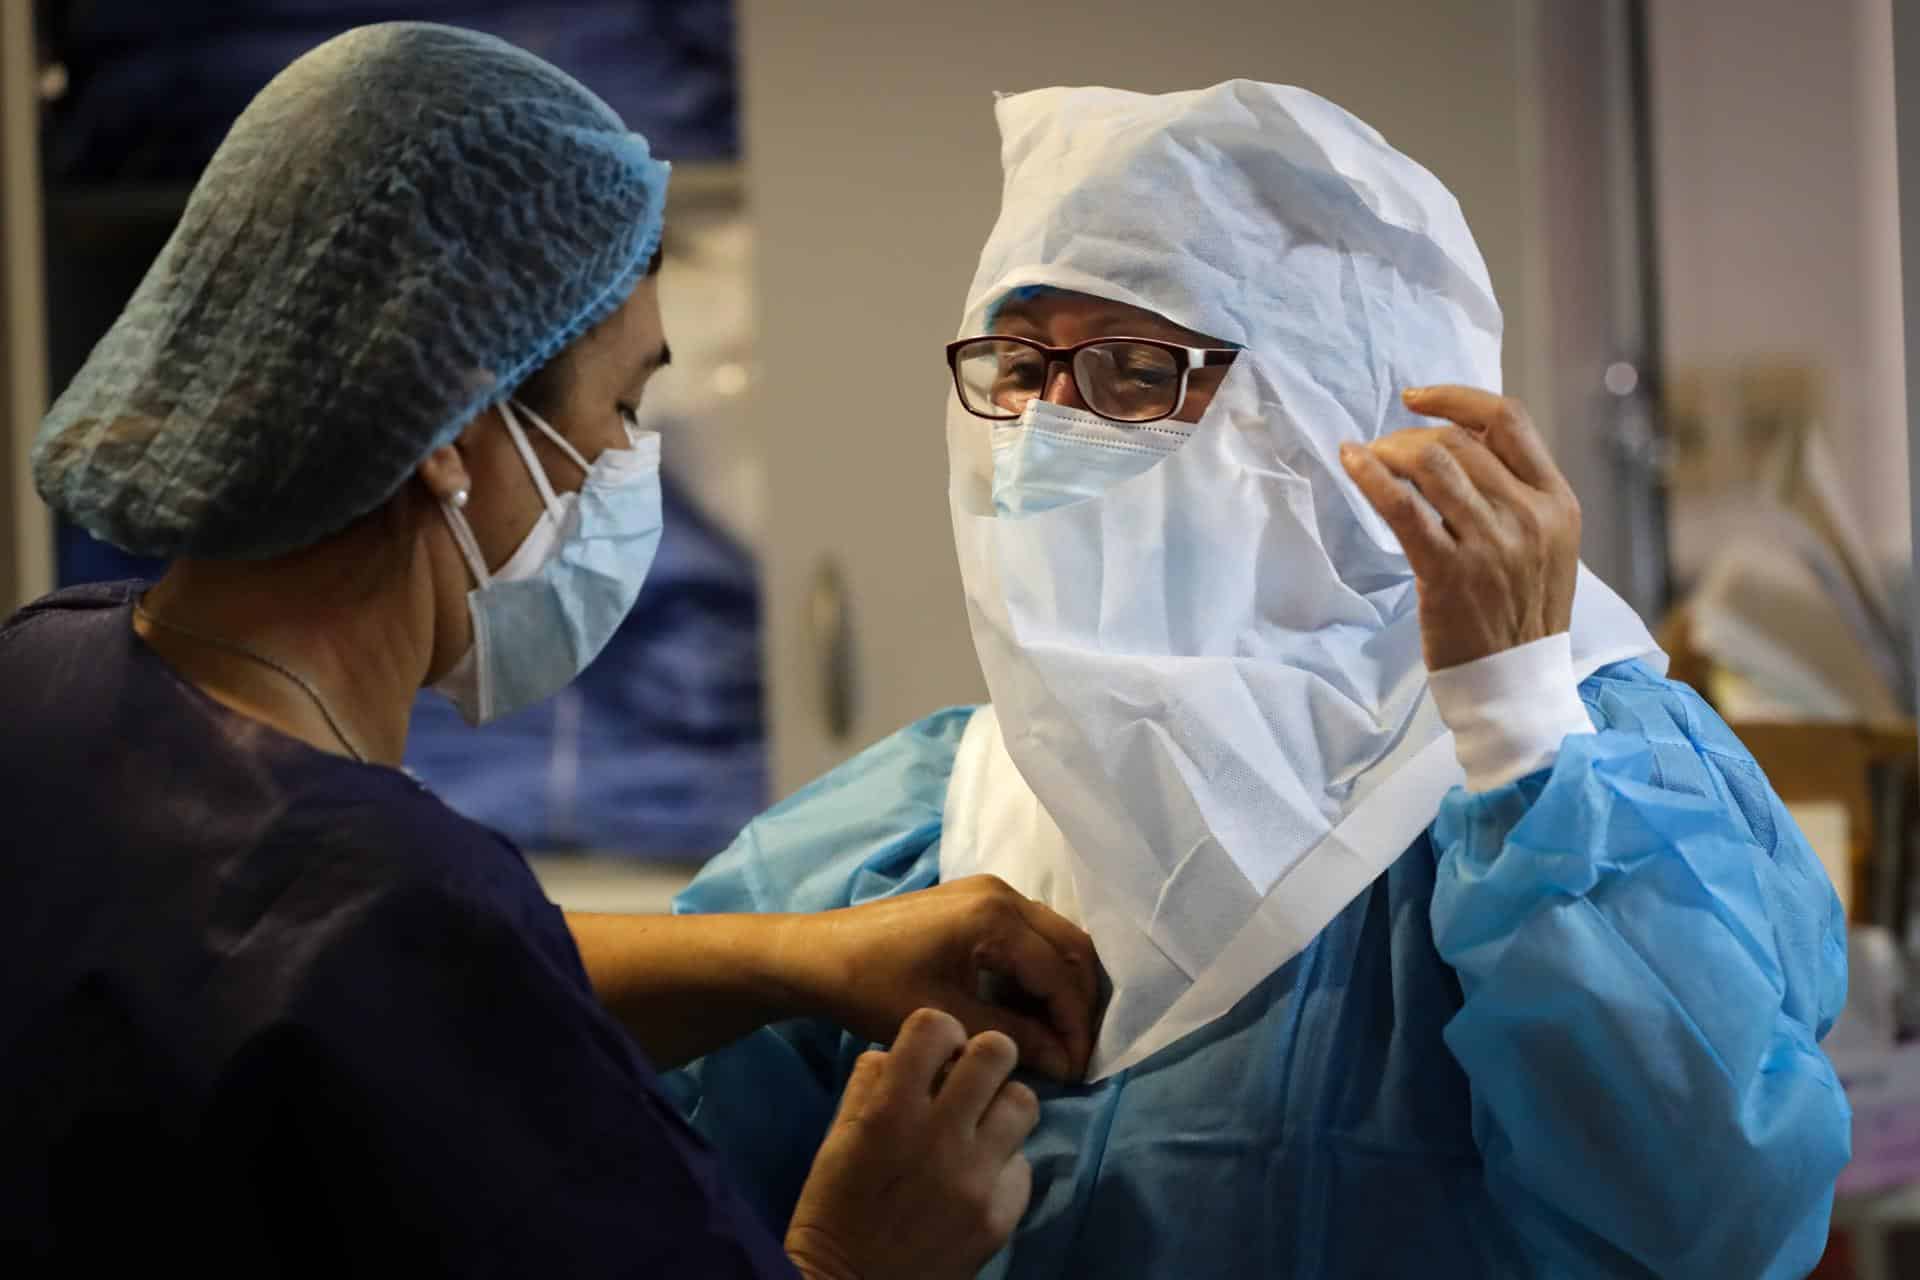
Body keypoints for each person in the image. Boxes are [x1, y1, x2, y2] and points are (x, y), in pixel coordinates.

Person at [665, 82, 1852, 1278]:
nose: (1044, 426)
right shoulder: (917, 828)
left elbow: (1716, 1229)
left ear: (1337, 401)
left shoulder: (1579, 780)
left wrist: (1514, 721)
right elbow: (641, 1166)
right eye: (1021, 366)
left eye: (1132, 369)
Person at [0, 25, 1103, 1278]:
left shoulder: (50, 673)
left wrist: (800, 956)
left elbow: (414, 988)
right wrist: (853, 1252)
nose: (635, 467)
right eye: (624, 407)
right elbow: (397, 966)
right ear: (454, 429)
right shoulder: (378, 896)